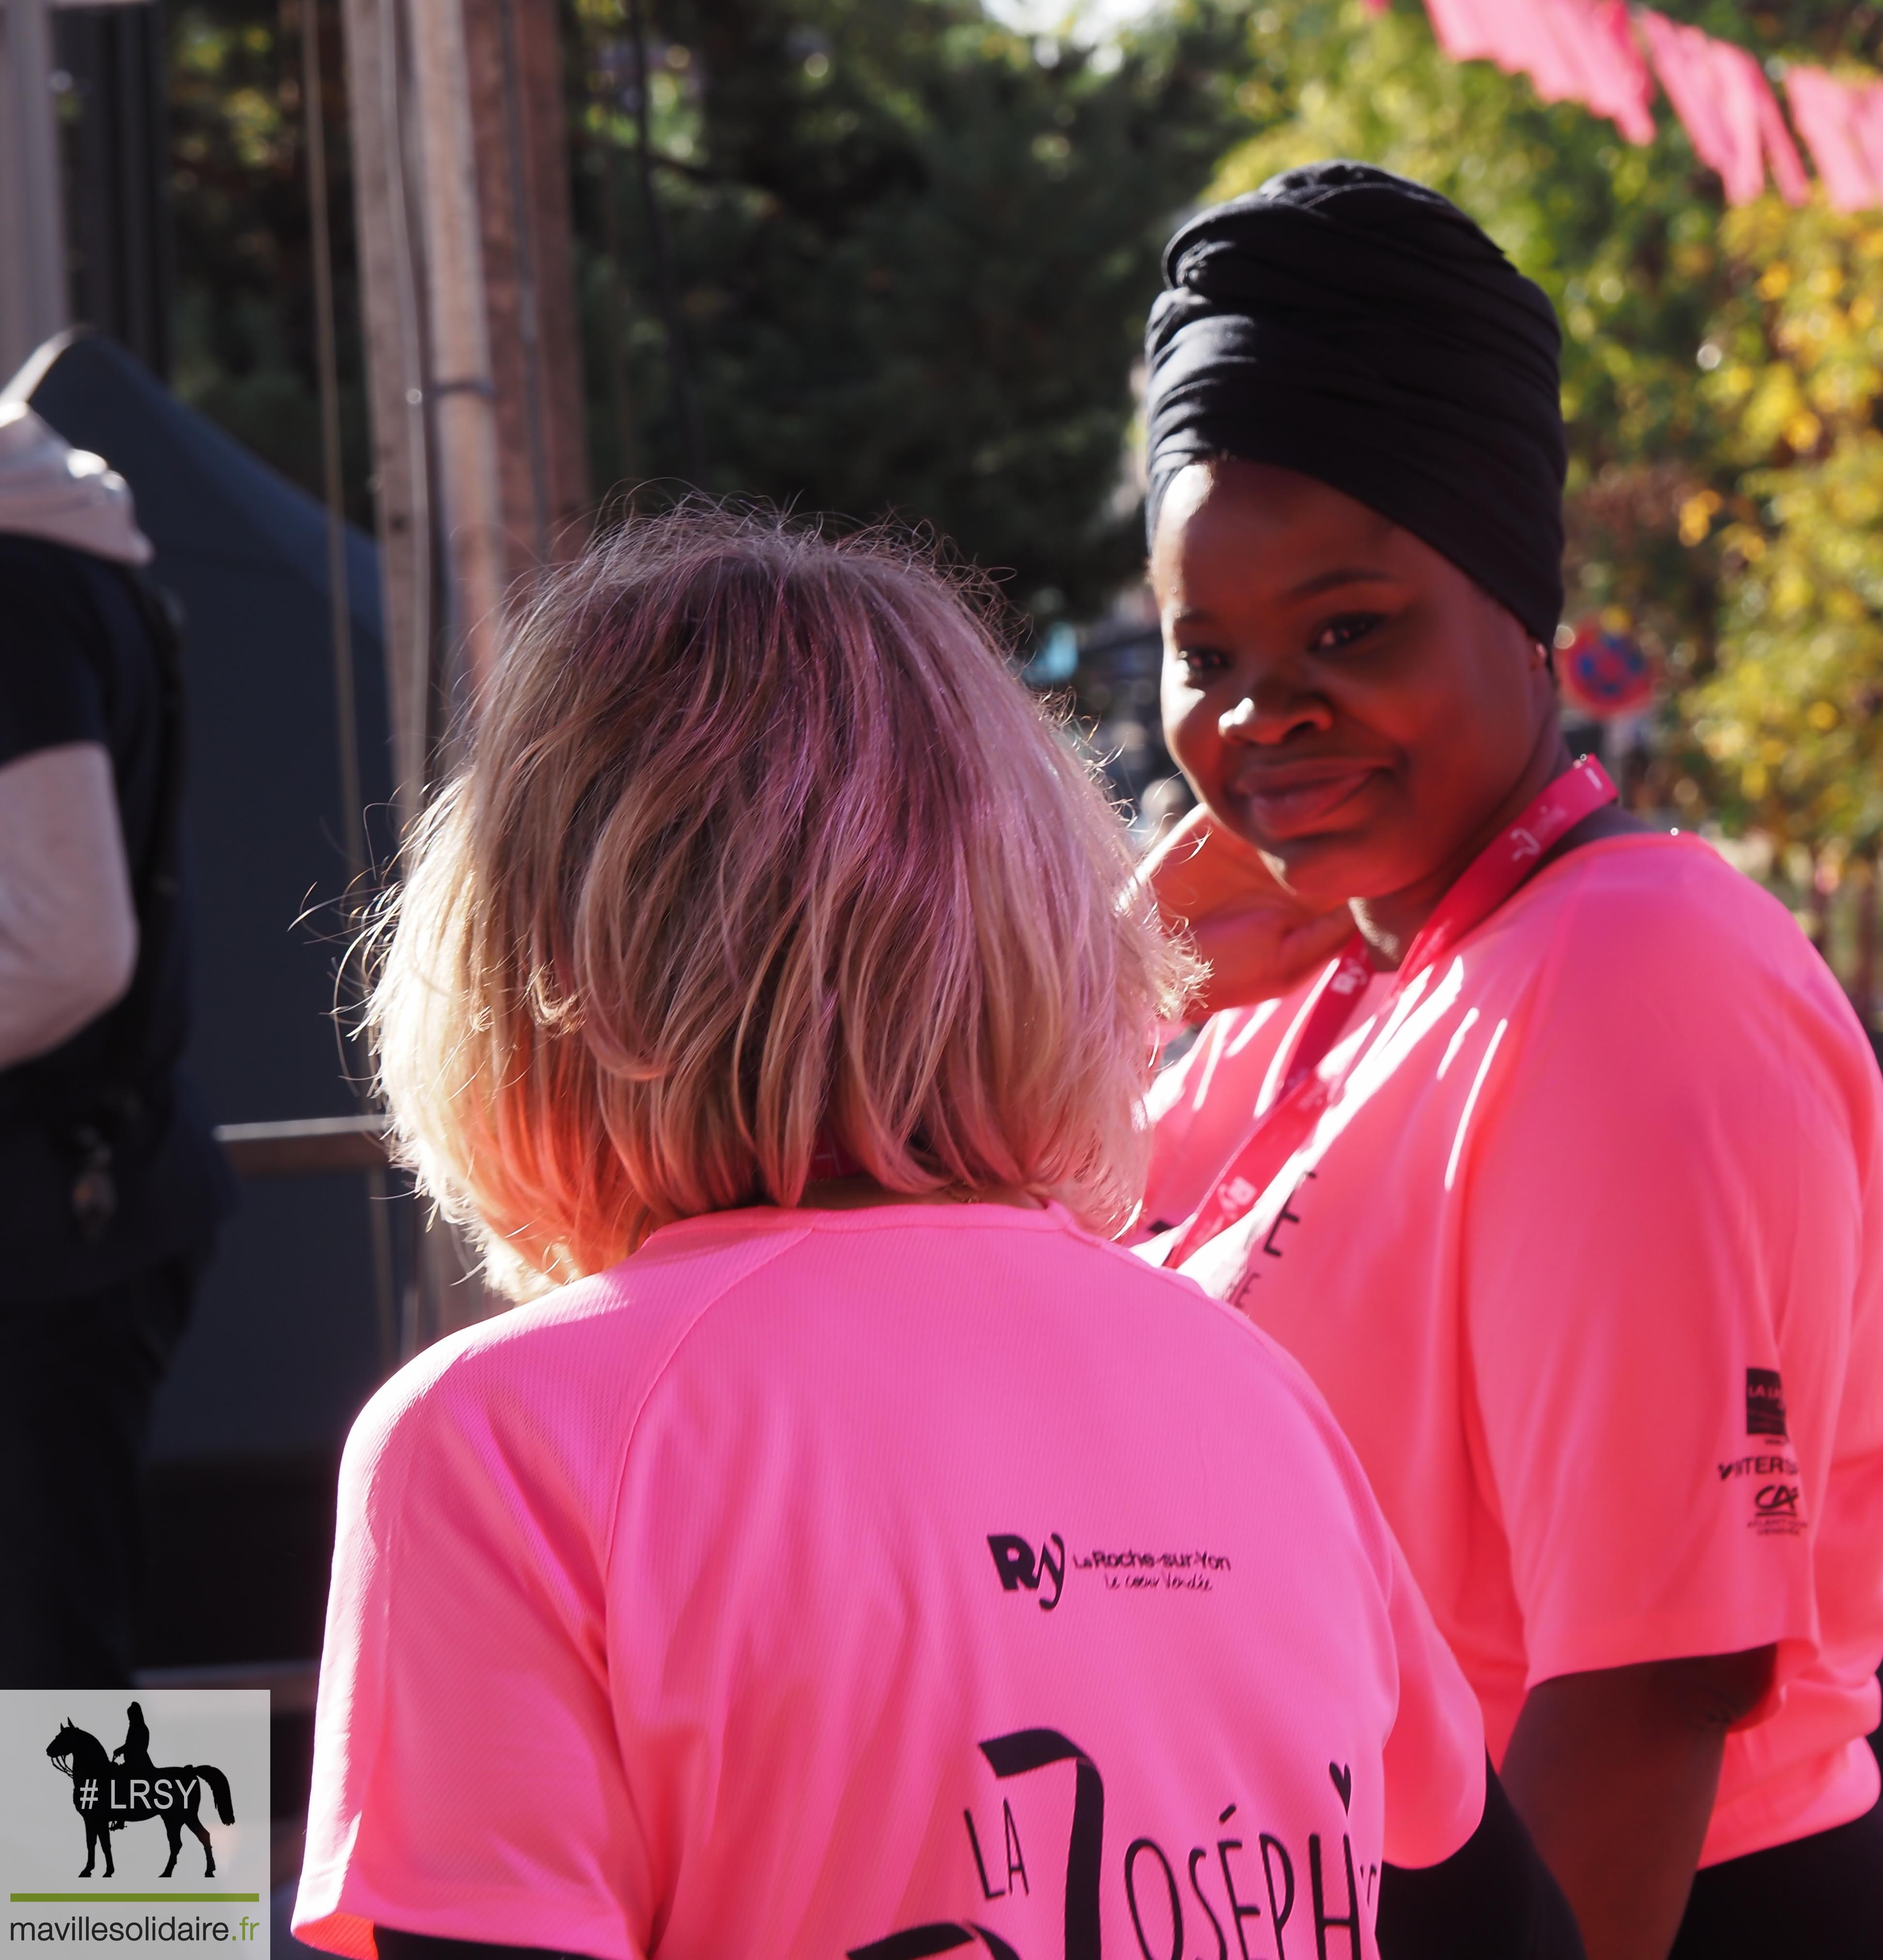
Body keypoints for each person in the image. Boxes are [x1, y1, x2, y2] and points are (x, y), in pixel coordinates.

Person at [292, 509, 1580, 1960]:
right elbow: (1501, 1920)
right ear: (1030, 914)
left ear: (534, 957)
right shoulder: (1251, 1389)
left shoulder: (500, 1445)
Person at [1135, 163, 1883, 1960]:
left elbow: (1648, 1697)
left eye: (1346, 631)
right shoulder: (1313, 992)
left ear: (1520, 605)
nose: (1258, 716)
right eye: (1203, 652)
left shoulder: (1629, 975)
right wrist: (1122, 966)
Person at [0, 399, 231, 1686]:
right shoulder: (63, 552)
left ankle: (131, 1907)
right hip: (92, 1200)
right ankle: (127, 1902)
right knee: (75, 1652)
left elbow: (72, 950)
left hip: (56, 1222)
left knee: (61, 1669)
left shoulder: (20, 588)